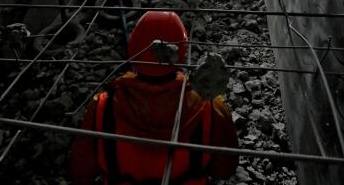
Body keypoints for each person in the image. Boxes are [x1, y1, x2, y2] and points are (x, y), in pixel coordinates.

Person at [70, 11, 239, 185]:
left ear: (134, 49)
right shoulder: (209, 105)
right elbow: (225, 169)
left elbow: (81, 173)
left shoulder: (102, 107)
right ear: (180, 52)